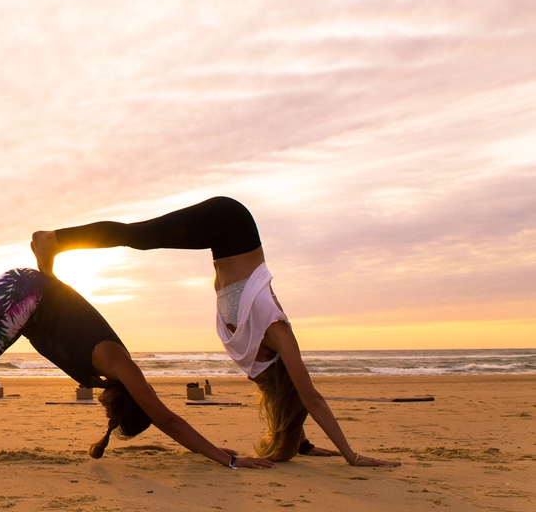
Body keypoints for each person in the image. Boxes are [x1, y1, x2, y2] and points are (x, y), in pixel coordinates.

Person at [31, 196, 400, 467]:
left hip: (225, 246)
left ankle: (58, 239)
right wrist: (352, 456)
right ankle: (55, 239)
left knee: (140, 237)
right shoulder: (277, 333)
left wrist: (300, 443)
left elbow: (287, 397)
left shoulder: (257, 361)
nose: (264, 384)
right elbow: (311, 398)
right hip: (233, 221)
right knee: (140, 236)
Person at [0, 267, 274, 469]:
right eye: (111, 411)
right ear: (127, 401)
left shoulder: (106, 374)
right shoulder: (122, 366)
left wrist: (210, 450)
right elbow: (168, 419)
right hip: (24, 292)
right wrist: (226, 458)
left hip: (28, 299)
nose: (102, 406)